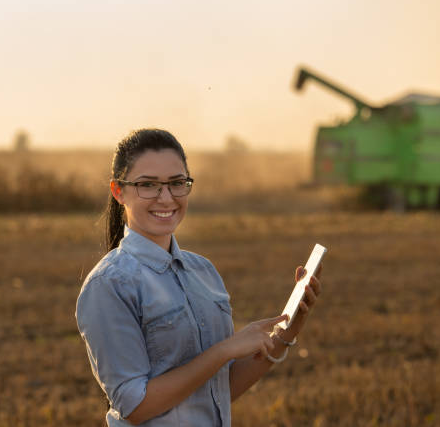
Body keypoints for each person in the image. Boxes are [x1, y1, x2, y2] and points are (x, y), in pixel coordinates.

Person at [75, 129, 322, 426]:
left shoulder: (203, 271)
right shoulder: (109, 284)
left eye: (177, 183)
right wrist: (223, 352)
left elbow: (217, 391)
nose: (166, 198)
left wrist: (287, 331)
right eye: (148, 185)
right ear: (118, 191)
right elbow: (134, 406)